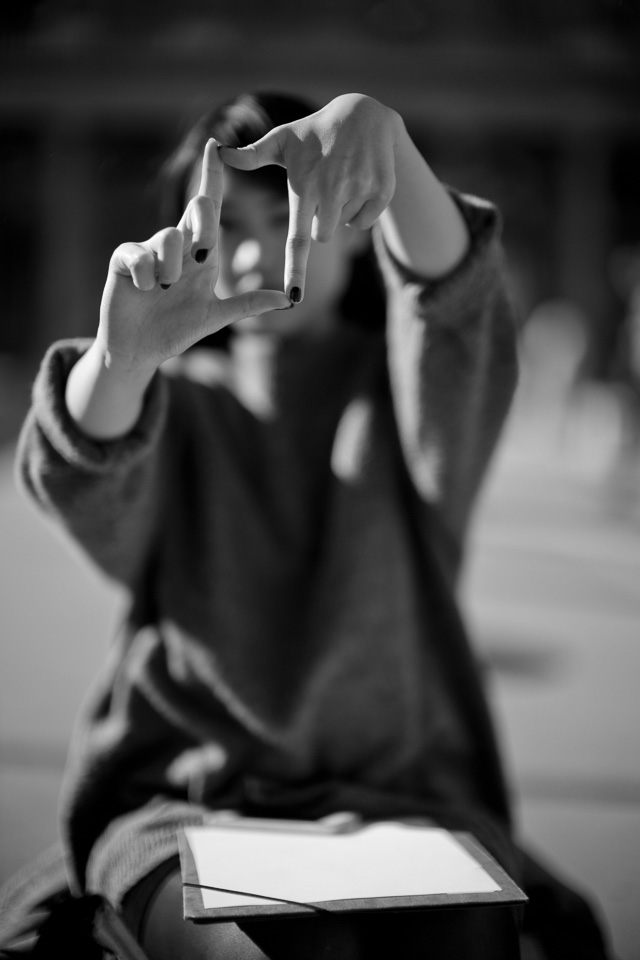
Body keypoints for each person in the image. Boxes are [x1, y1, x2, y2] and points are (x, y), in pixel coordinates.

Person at [2, 92, 614, 960]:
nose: (255, 248)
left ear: (357, 219)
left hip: (399, 800)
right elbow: (82, 476)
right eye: (229, 219)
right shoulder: (173, 405)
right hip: (186, 794)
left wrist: (393, 153)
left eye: (290, 213)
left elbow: (452, 308)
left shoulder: (406, 393)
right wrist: (118, 360)